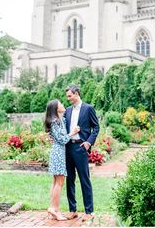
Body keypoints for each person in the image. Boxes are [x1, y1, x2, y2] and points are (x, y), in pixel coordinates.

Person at [64, 84, 100, 222]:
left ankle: (89, 211)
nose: (68, 99)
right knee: (70, 179)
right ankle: (72, 210)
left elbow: (96, 127)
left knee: (85, 179)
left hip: (81, 148)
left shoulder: (88, 108)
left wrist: (89, 142)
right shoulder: (67, 110)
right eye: (67, 96)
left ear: (76, 93)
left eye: (70, 96)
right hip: (68, 148)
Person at [44, 99, 80, 221]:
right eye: (61, 104)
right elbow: (63, 140)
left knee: (56, 182)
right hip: (58, 153)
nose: (63, 105)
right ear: (55, 108)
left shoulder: (59, 120)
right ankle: (55, 210)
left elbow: (62, 123)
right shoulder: (55, 122)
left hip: (57, 152)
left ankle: (53, 209)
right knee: (59, 182)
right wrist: (72, 133)